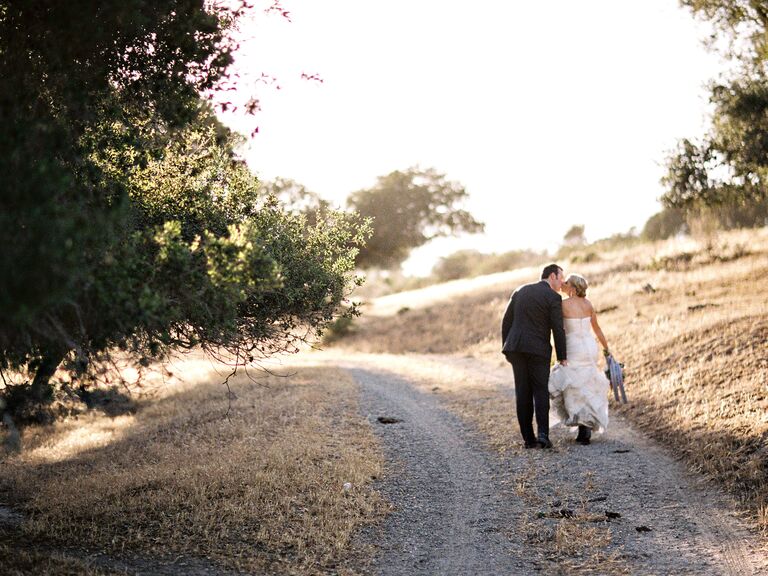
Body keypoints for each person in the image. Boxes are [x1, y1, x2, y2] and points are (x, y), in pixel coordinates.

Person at [501, 264, 567, 449]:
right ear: (552, 276)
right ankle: (543, 436)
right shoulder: (553, 297)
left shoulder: (520, 290)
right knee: (540, 391)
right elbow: (558, 329)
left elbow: (506, 321)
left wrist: (506, 346)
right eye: (561, 277)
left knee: (522, 392)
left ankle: (528, 439)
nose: (562, 282)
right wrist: (562, 356)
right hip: (538, 350)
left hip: (516, 348)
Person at [548, 273, 611, 445]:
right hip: (590, 347)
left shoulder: (563, 305)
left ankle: (582, 424)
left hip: (573, 346)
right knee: (587, 382)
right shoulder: (588, 304)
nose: (563, 283)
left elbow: (558, 329)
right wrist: (607, 349)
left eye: (566, 282)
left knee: (572, 383)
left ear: (573, 289)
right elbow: (597, 329)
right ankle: (586, 426)